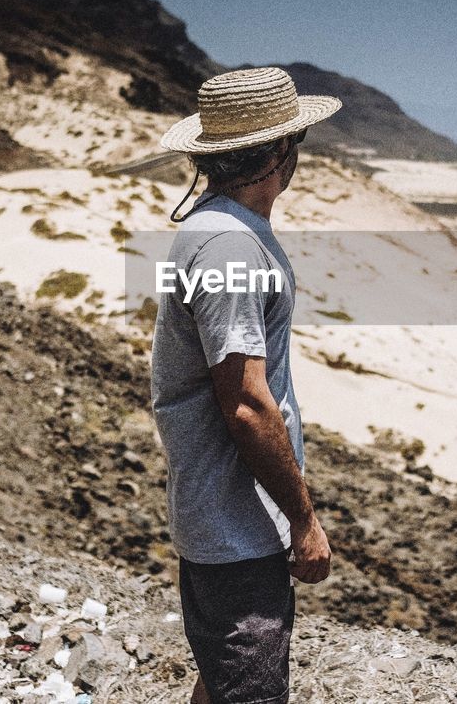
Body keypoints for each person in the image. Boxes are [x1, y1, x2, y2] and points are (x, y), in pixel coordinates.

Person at [149, 66, 342, 704]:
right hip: (237, 524)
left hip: (222, 512)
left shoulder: (212, 230)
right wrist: (304, 520)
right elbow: (247, 406)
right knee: (251, 691)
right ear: (282, 153)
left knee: (223, 681)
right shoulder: (230, 249)